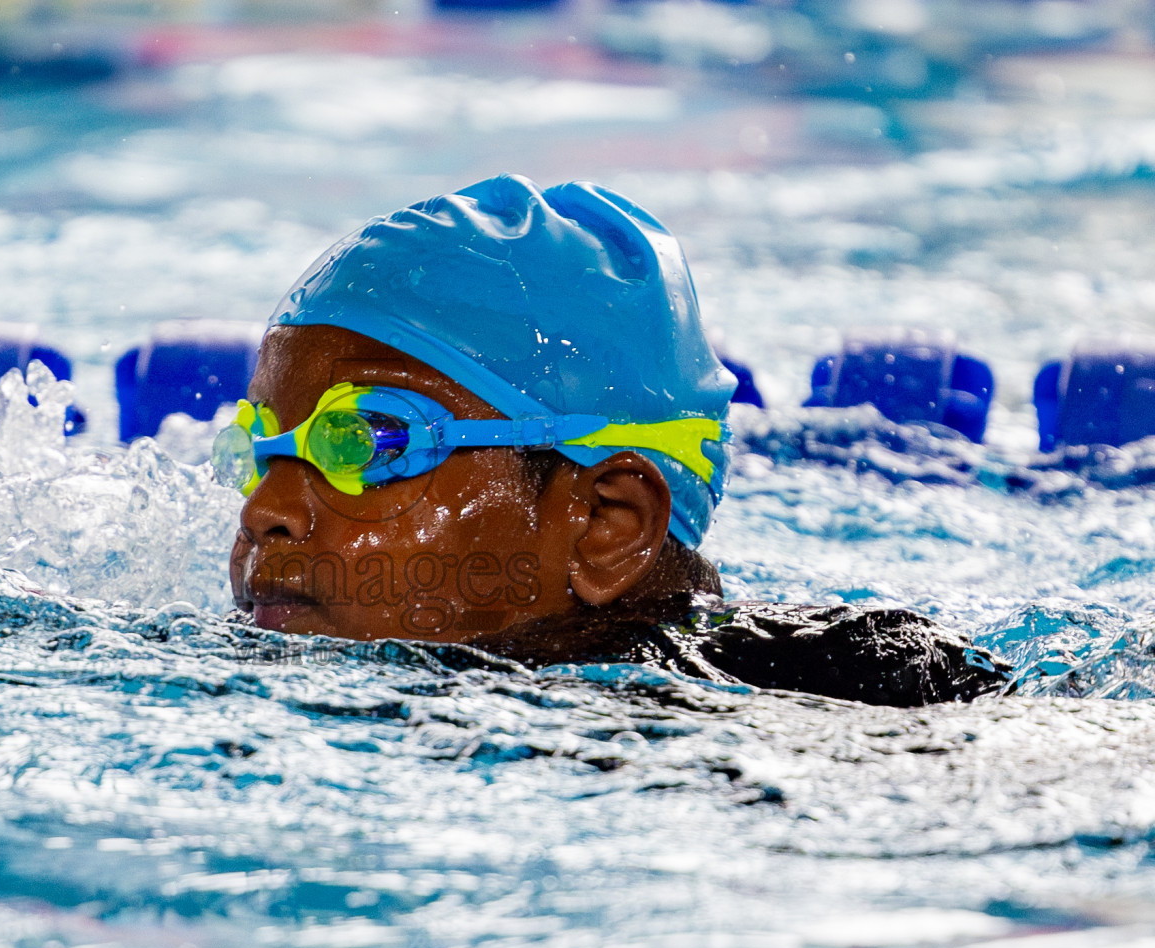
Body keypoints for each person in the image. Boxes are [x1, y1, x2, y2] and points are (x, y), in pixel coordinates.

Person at [212, 175, 1009, 706]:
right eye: (263, 449)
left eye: (368, 441)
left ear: (607, 523)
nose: (264, 511)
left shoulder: (861, 694)